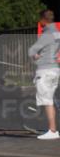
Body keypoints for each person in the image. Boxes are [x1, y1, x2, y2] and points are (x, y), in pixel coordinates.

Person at [29, 9, 60, 140]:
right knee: (51, 100)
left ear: (43, 20)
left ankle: (52, 131)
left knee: (47, 100)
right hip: (55, 70)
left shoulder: (46, 34)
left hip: (45, 71)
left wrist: (35, 56)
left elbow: (32, 51)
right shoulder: (57, 33)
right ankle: (52, 129)